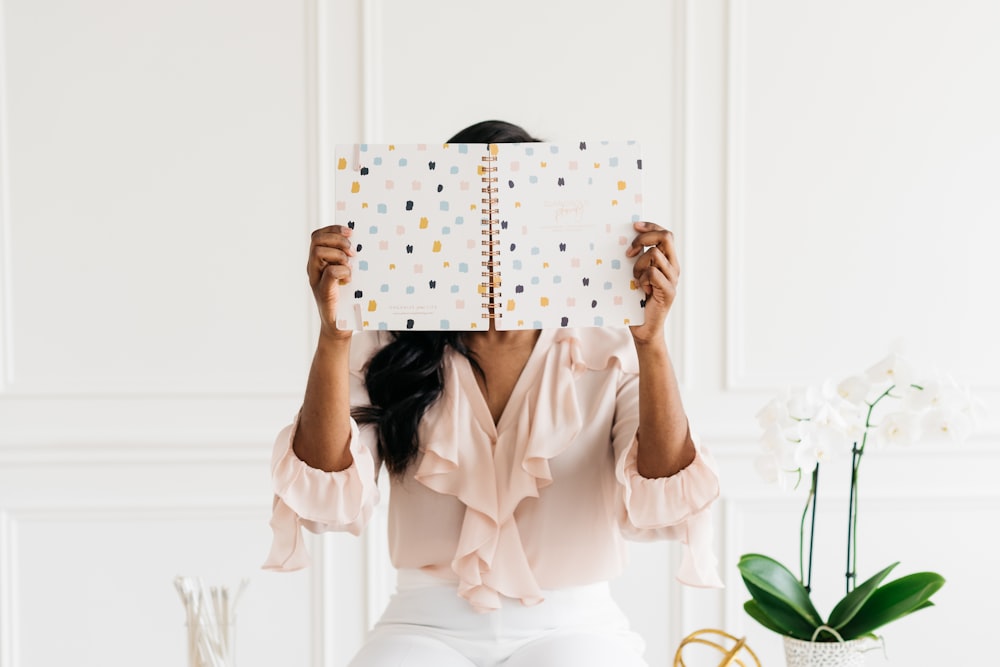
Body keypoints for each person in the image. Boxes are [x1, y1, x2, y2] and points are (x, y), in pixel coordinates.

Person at [264, 120, 722, 667]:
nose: (495, 244)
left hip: (576, 625)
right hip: (425, 623)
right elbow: (325, 493)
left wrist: (651, 343)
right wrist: (334, 338)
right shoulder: (388, 348)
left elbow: (661, 490)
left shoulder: (609, 347)